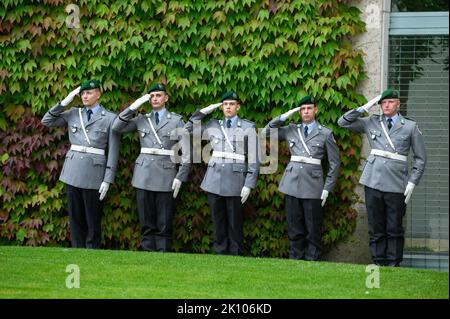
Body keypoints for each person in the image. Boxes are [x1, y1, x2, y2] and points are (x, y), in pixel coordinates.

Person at [337, 88, 427, 266]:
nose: (386, 105)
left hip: (397, 182)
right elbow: (343, 122)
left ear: (398, 104)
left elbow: (421, 158)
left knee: (394, 226)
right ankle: (378, 262)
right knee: (376, 226)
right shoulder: (371, 121)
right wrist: (365, 107)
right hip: (373, 180)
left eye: (390, 102)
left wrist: (412, 182)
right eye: (383, 103)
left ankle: (393, 264)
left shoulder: (409, 126)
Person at [111, 83, 190, 252]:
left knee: (164, 219)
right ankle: (147, 249)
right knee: (146, 218)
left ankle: (163, 251)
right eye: (152, 96)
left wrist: (180, 177)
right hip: (144, 173)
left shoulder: (176, 120)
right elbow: (116, 127)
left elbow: (187, 153)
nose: (155, 99)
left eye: (159, 95)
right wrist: (134, 106)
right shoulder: (141, 119)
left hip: (166, 173)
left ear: (166, 98)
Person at [41, 79, 120, 249]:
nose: (85, 96)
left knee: (93, 217)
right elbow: (47, 121)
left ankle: (92, 251)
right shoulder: (72, 113)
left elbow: (113, 151)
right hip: (73, 171)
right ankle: (77, 249)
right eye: (83, 93)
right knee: (75, 217)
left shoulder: (110, 118)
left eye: (89, 92)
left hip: (94, 173)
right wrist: (65, 102)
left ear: (98, 94)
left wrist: (108, 179)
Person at [264, 95, 340, 261]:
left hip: (313, 185)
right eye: (302, 109)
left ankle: (312, 259)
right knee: (294, 226)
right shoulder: (291, 129)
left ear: (315, 110)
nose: (306, 112)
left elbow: (335, 163)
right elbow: (266, 132)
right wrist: (284, 116)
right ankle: (295, 258)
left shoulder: (325, 133)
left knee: (313, 227)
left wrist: (328, 187)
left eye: (309, 108)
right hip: (291, 183)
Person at [184, 91, 260, 256]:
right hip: (215, 178)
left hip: (236, 179)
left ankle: (236, 252)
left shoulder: (248, 127)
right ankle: (220, 251)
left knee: (235, 220)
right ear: (221, 107)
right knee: (217, 219)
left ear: (238, 107)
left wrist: (249, 184)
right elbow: (188, 129)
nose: (228, 107)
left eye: (232, 104)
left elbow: (254, 159)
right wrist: (204, 111)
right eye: (225, 104)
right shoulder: (212, 125)